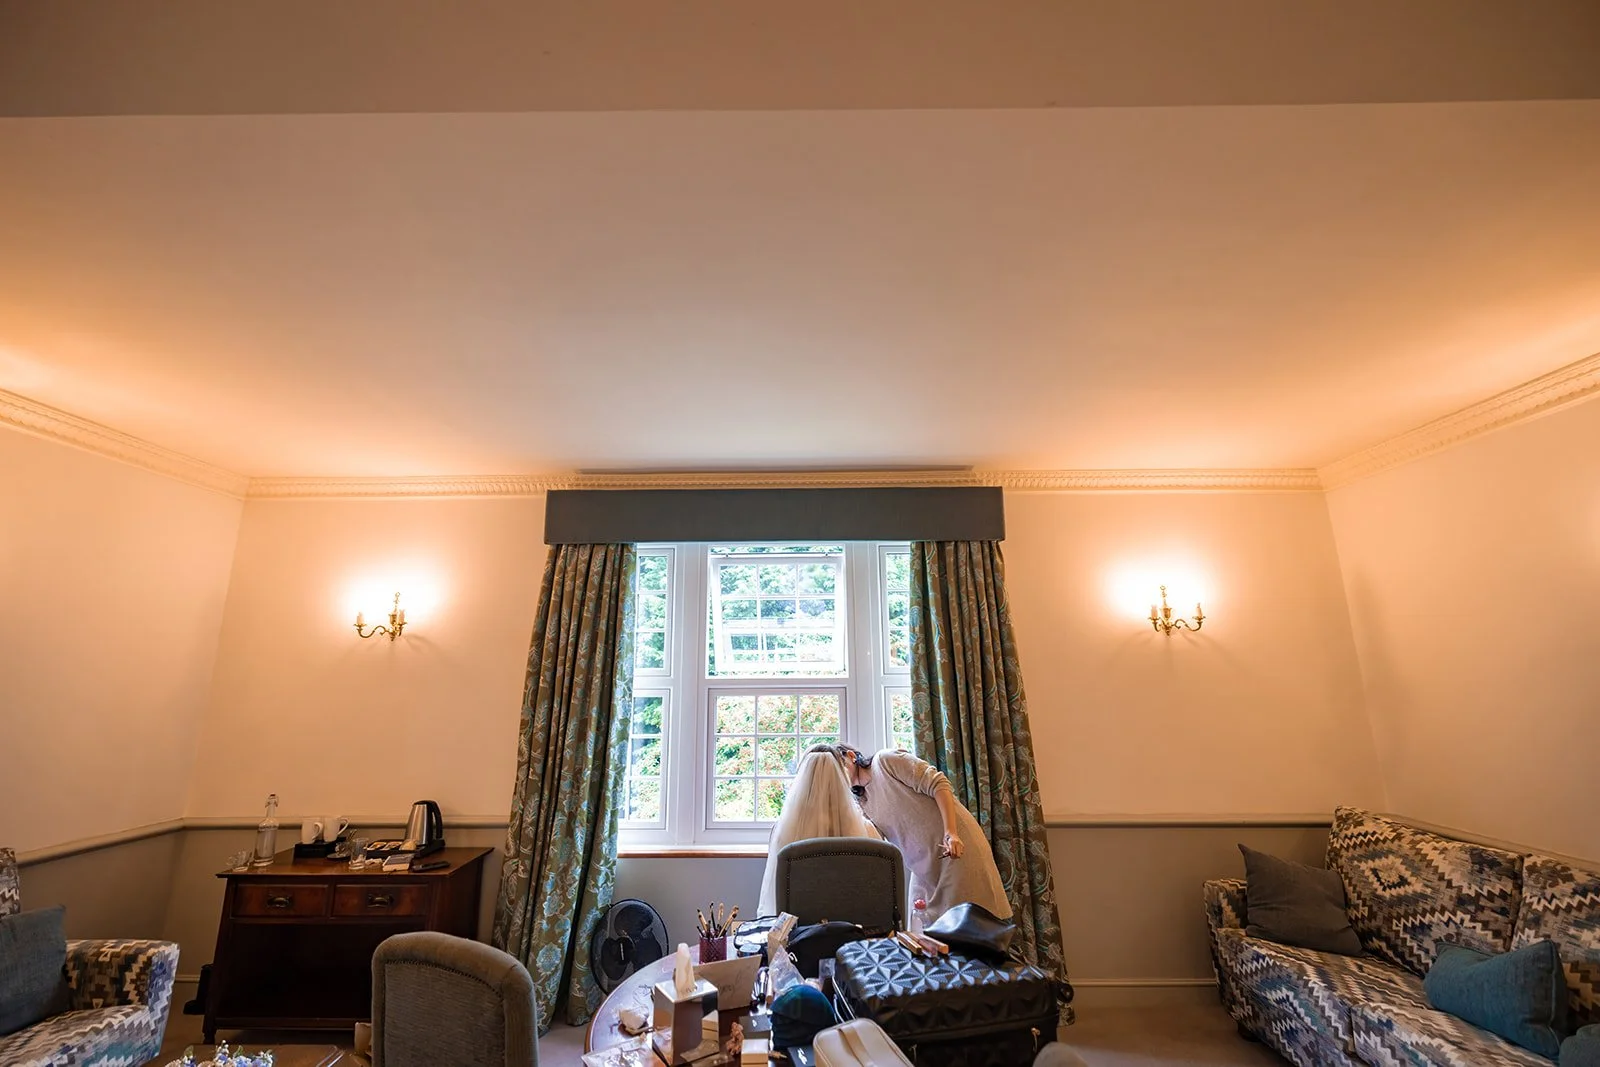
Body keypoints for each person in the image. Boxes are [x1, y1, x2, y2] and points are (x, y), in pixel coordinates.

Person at [828, 744, 1011, 923]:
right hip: (923, 866)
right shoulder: (863, 801)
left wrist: (951, 832)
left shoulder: (885, 761)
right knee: (924, 932)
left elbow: (939, 784)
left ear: (852, 756)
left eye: (840, 765)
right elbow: (879, 840)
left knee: (970, 924)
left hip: (955, 846)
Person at [758, 747, 882, 916]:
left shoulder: (783, 831)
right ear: (840, 779)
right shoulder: (865, 830)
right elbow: (879, 888)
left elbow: (777, 893)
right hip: (854, 929)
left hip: (799, 931)